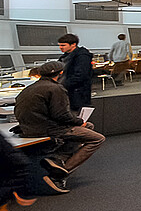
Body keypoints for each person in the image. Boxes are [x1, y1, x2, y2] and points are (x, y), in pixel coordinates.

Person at [14, 61, 106, 194]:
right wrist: (79, 121)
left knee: (88, 127)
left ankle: (59, 159)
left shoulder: (29, 88)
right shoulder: (56, 89)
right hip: (49, 129)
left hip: (29, 128)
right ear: (61, 73)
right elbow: (61, 116)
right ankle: (60, 174)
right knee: (97, 139)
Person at [57, 33, 93, 112]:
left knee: (76, 117)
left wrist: (64, 85)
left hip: (77, 94)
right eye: (59, 45)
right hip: (66, 91)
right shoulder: (64, 57)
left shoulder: (82, 56)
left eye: (63, 45)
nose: (60, 47)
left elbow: (81, 75)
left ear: (73, 44)